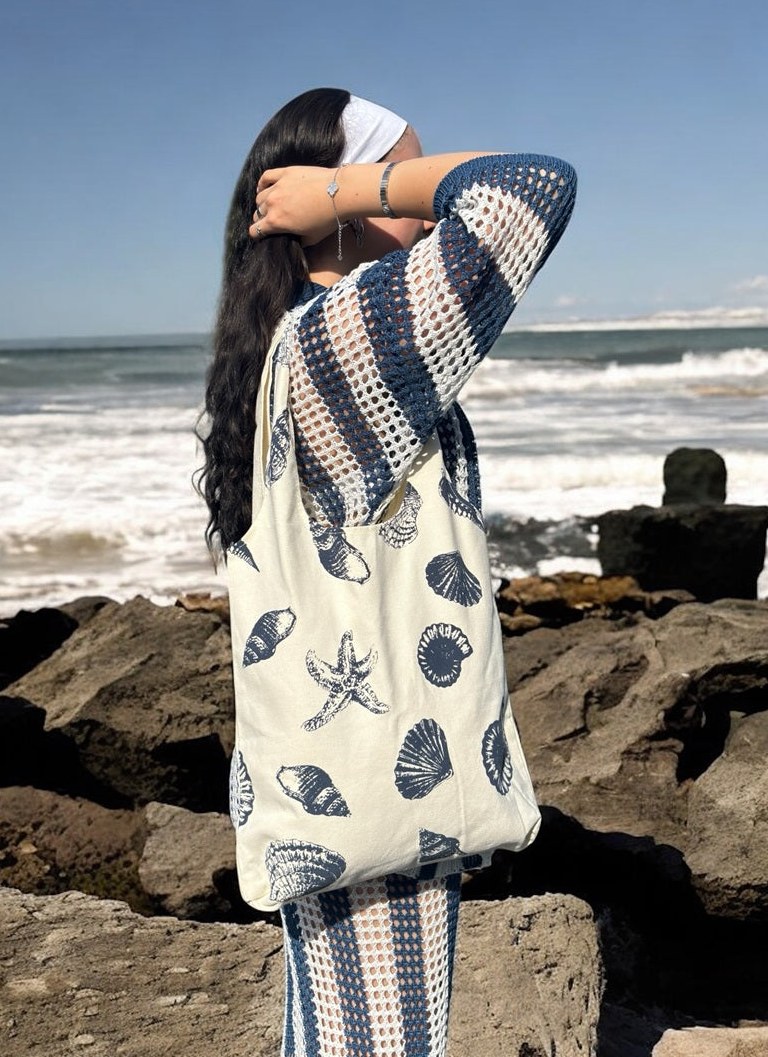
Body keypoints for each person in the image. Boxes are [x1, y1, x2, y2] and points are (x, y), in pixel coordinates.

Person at [197, 88, 576, 1057]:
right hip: (379, 777)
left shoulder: (295, 337)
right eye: (397, 170)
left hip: (337, 771)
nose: (421, 193)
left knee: (336, 1028)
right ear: (337, 194)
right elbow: (531, 188)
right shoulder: (346, 335)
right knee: (382, 1037)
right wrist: (346, 190)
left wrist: (349, 190)